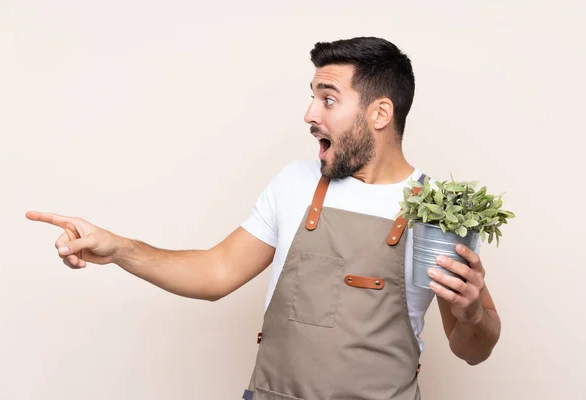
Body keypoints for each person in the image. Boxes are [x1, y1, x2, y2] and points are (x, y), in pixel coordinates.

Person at [26, 36, 501, 400]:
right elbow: (215, 273)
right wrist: (119, 247)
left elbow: (474, 348)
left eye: (328, 99)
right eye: (313, 96)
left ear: (380, 113)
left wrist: (473, 311)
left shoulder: (439, 208)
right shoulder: (294, 183)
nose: (309, 113)